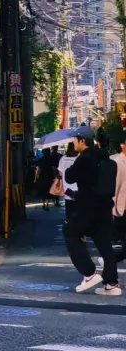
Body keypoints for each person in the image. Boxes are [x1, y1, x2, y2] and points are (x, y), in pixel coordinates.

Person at [64, 126, 120, 296]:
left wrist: (73, 165)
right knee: (105, 245)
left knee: (70, 232)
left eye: (75, 140)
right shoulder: (106, 159)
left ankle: (89, 273)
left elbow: (69, 176)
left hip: (87, 207)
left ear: (82, 141)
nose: (73, 143)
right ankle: (112, 284)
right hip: (105, 208)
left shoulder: (85, 158)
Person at [58, 144, 79, 218]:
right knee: (78, 212)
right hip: (78, 189)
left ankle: (69, 223)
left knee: (69, 212)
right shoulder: (79, 158)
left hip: (67, 189)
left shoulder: (63, 158)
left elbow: (60, 173)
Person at [36, 146, 59, 210]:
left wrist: (36, 176)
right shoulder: (51, 159)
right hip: (49, 177)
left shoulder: (40, 160)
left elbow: (38, 169)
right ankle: (46, 205)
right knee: (48, 190)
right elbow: (53, 168)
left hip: (42, 177)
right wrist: (56, 175)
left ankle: (43, 203)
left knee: (43, 190)